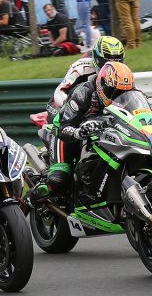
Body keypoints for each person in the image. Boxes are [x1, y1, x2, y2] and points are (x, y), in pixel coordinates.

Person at [33, 61, 136, 199]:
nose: (118, 95)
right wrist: (78, 132)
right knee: (59, 180)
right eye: (115, 92)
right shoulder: (83, 92)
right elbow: (63, 125)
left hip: (103, 132)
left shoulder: (131, 94)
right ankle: (34, 197)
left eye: (123, 92)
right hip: (65, 131)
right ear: (102, 86)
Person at [47, 36, 126, 121]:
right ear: (98, 58)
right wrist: (70, 108)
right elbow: (60, 91)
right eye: (109, 60)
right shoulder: (81, 68)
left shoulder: (121, 71)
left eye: (117, 60)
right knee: (64, 120)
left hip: (97, 105)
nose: (112, 64)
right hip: (65, 103)